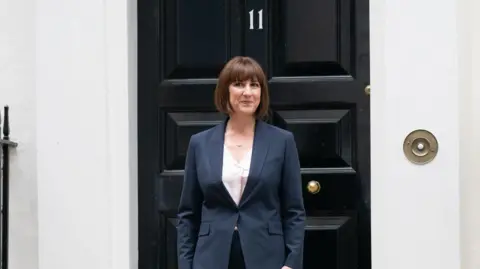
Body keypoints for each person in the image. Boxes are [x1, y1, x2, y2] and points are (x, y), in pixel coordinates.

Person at [177, 56, 306, 269]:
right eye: (238, 84)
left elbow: (294, 210)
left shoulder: (282, 142)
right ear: (225, 91)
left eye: (254, 85)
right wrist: (185, 264)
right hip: (211, 257)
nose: (248, 92)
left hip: (266, 257)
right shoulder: (200, 144)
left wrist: (291, 262)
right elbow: (188, 214)